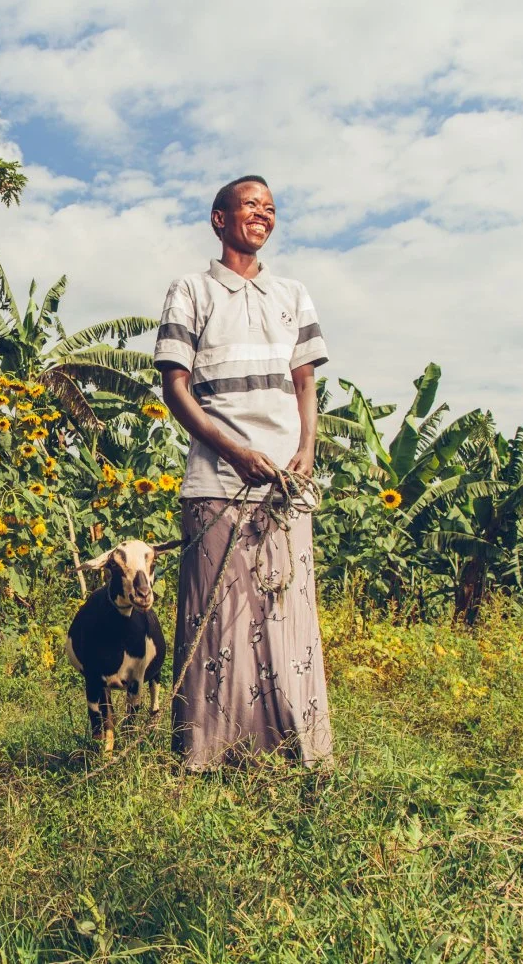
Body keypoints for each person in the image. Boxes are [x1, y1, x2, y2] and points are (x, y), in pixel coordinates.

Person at [154, 175, 333, 770]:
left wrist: (306, 450)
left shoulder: (293, 294)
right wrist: (233, 452)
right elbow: (175, 388)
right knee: (217, 624)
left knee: (286, 616)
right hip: (217, 483)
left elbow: (305, 382)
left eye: (271, 208)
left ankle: (297, 752)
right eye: (251, 205)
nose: (263, 214)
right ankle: (208, 756)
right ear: (220, 219)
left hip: (286, 487)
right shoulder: (192, 290)